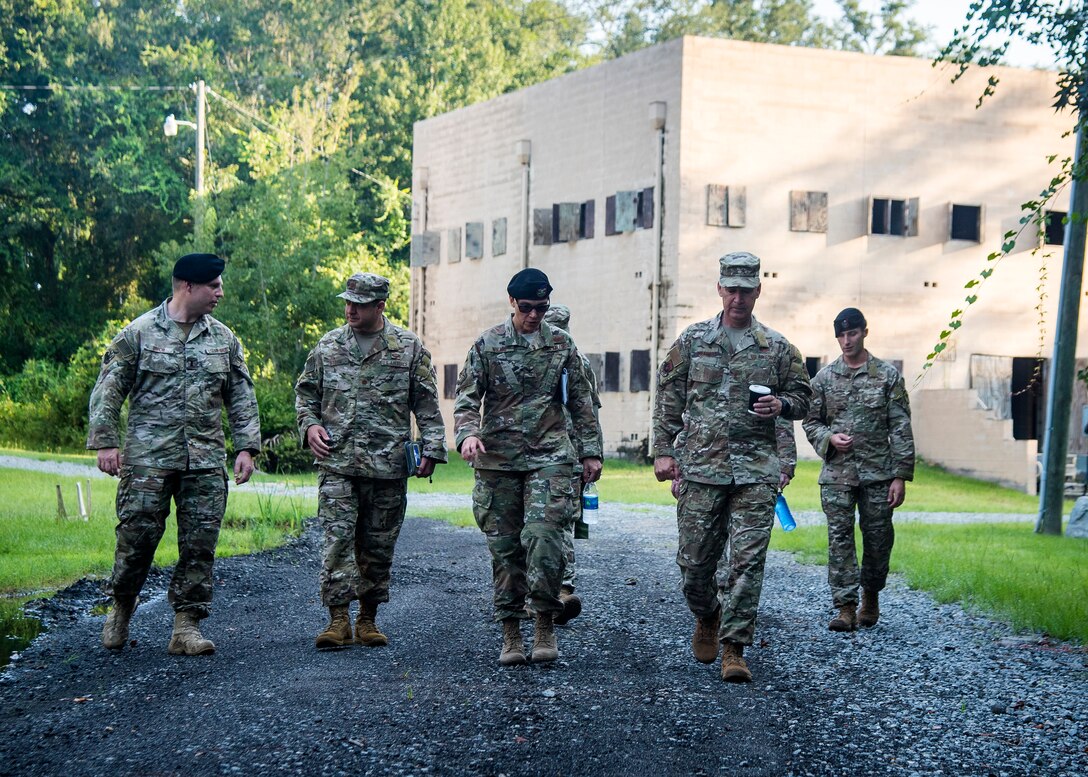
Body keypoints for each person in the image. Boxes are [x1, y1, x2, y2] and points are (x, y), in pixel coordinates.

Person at [87, 252, 261, 656]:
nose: (220, 292)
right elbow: (108, 389)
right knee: (136, 540)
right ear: (188, 286)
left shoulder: (223, 338)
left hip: (203, 460)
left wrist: (247, 447)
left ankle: (186, 626)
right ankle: (121, 609)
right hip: (148, 460)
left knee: (200, 544)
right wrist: (106, 441)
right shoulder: (139, 333)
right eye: (213, 285)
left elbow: (241, 395)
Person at [652, 251, 811, 683]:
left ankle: (734, 647)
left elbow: (804, 399)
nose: (739, 298)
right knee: (694, 564)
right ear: (720, 289)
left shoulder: (777, 348)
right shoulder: (693, 340)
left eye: (747, 290)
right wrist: (664, 452)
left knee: (747, 562)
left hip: (756, 470)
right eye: (732, 289)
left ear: (759, 290)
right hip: (701, 468)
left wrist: (781, 404)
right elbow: (668, 399)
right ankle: (707, 614)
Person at [454, 269, 603, 665]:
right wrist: (467, 434)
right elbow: (467, 398)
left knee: (545, 539)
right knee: (505, 550)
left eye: (542, 308)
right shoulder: (488, 344)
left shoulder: (561, 344)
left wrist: (591, 452)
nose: (535, 315)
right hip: (498, 460)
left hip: (550, 455)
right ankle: (510, 633)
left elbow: (582, 404)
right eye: (527, 308)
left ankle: (544, 625)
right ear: (512, 303)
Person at [295, 272, 447, 649]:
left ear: (380, 306)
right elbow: (305, 396)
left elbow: (426, 403)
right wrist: (309, 426)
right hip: (337, 462)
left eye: (359, 305)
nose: (350, 309)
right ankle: (337, 620)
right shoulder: (328, 346)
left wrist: (432, 448)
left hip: (388, 465)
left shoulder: (408, 348)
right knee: (337, 541)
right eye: (347, 302)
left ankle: (367, 619)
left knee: (378, 546)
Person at [802, 308, 915, 631]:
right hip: (838, 475)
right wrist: (829, 438)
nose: (846, 341)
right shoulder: (824, 378)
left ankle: (871, 595)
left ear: (865, 332)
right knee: (839, 539)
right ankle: (845, 606)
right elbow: (810, 421)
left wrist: (900, 475)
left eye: (852, 334)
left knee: (878, 539)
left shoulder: (887, 376)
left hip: (878, 473)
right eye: (841, 335)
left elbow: (901, 426)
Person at [542, 303, 603, 625]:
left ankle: (563, 591)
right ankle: (541, 592)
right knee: (537, 524)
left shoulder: (578, 362)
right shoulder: (529, 356)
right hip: (535, 456)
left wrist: (593, 454)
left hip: (569, 456)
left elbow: (590, 410)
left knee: (563, 522)